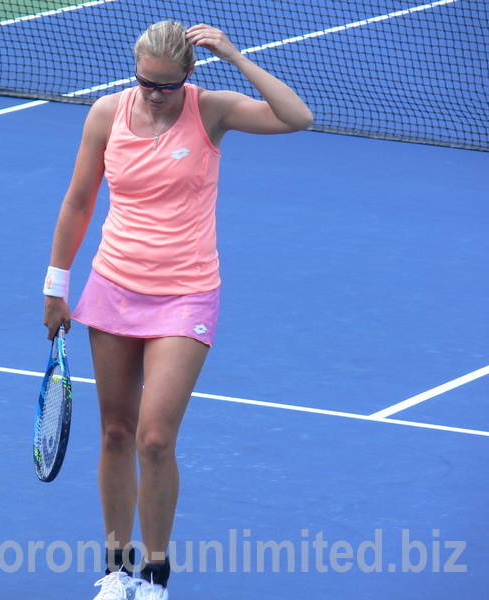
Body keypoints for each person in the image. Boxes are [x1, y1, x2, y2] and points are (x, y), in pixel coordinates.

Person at [43, 21, 313, 600]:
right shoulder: (106, 114)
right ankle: (116, 570)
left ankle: (155, 577)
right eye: (144, 81)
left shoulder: (210, 111)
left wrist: (236, 56)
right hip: (113, 285)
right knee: (115, 431)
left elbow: (297, 117)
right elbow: (79, 200)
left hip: (187, 293)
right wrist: (54, 286)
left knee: (155, 438)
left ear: (188, 75)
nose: (153, 93)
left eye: (166, 85)